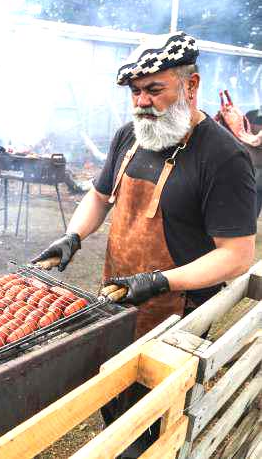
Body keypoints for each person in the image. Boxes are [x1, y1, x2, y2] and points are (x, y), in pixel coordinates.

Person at [33, 32, 257, 457]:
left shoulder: (224, 157)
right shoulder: (129, 136)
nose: (142, 102)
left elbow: (238, 254)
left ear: (191, 86)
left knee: (152, 420)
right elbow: (100, 197)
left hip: (178, 315)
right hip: (117, 299)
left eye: (155, 90)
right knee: (114, 400)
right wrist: (73, 236)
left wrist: (159, 281)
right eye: (136, 92)